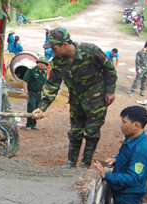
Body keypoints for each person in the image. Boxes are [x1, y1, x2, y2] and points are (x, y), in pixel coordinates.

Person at [32, 28, 117, 169]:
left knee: (92, 131)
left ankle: (85, 163)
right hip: (76, 99)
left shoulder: (90, 51)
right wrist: (42, 106)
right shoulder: (58, 62)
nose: (52, 51)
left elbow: (109, 69)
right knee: (75, 130)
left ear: (65, 44)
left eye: (54, 48)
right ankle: (71, 162)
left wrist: (110, 91)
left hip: (96, 98)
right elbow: (52, 84)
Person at [94, 106, 147, 204]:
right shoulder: (131, 137)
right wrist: (116, 159)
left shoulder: (141, 151)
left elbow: (133, 178)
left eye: (124, 122)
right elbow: (124, 155)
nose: (121, 125)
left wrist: (106, 175)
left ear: (135, 125)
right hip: (121, 190)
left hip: (127, 196)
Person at [23, 56, 48, 131]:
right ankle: (28, 124)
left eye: (44, 64)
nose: (42, 65)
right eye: (40, 63)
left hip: (38, 93)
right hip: (31, 92)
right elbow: (25, 81)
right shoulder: (31, 70)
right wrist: (26, 92)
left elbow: (43, 84)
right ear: (37, 63)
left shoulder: (43, 72)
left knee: (37, 107)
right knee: (31, 107)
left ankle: (34, 124)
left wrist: (44, 93)